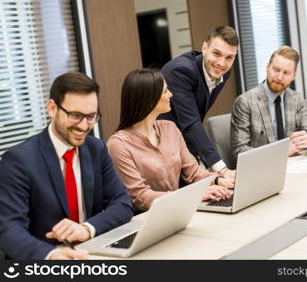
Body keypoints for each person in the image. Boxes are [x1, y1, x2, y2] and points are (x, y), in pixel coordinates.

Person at [0, 72, 133, 260]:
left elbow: (122, 204)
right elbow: (8, 230)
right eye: (76, 115)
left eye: (91, 116)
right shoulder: (18, 160)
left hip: (92, 252)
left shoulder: (97, 149)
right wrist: (51, 255)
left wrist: (87, 228)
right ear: (52, 108)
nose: (84, 126)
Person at [108, 69, 233, 212]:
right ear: (150, 99)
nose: (171, 95)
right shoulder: (118, 144)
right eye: (165, 91)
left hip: (178, 211)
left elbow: (193, 172)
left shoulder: (170, 128)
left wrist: (219, 180)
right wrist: (190, 196)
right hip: (146, 219)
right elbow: (140, 196)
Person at [160, 25, 239, 176]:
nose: (222, 63)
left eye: (229, 57)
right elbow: (190, 123)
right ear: (204, 48)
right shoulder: (181, 71)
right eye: (216, 53)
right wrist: (219, 167)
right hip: (162, 147)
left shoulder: (222, 72)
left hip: (186, 142)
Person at [231, 46, 307, 160]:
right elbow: (239, 150)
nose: (279, 77)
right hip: (262, 169)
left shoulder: (297, 99)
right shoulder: (245, 102)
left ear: (294, 75)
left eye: (286, 73)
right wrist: (280, 153)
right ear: (267, 67)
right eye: (276, 70)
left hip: (294, 165)